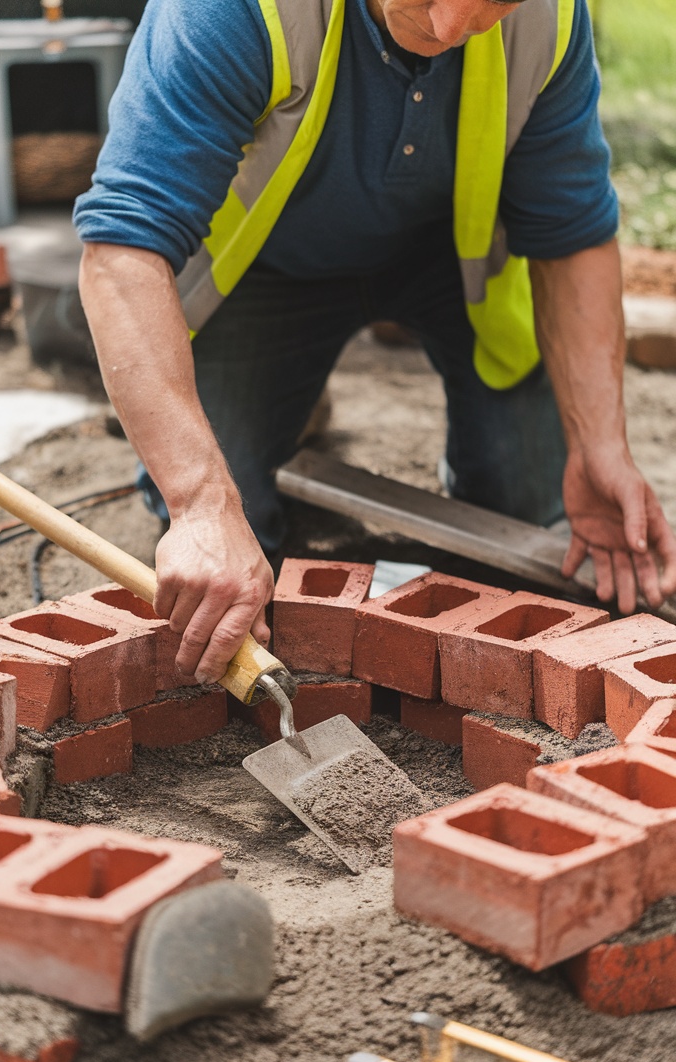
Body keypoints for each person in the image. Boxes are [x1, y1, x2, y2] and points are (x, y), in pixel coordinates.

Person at [74, 0, 676, 686]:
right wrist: (199, 502)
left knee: (532, 522)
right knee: (220, 540)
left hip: (454, 259)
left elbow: (572, 234)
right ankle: (261, 443)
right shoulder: (230, 11)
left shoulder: (549, 19)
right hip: (271, 268)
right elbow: (121, 250)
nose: (451, 29)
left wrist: (601, 443)